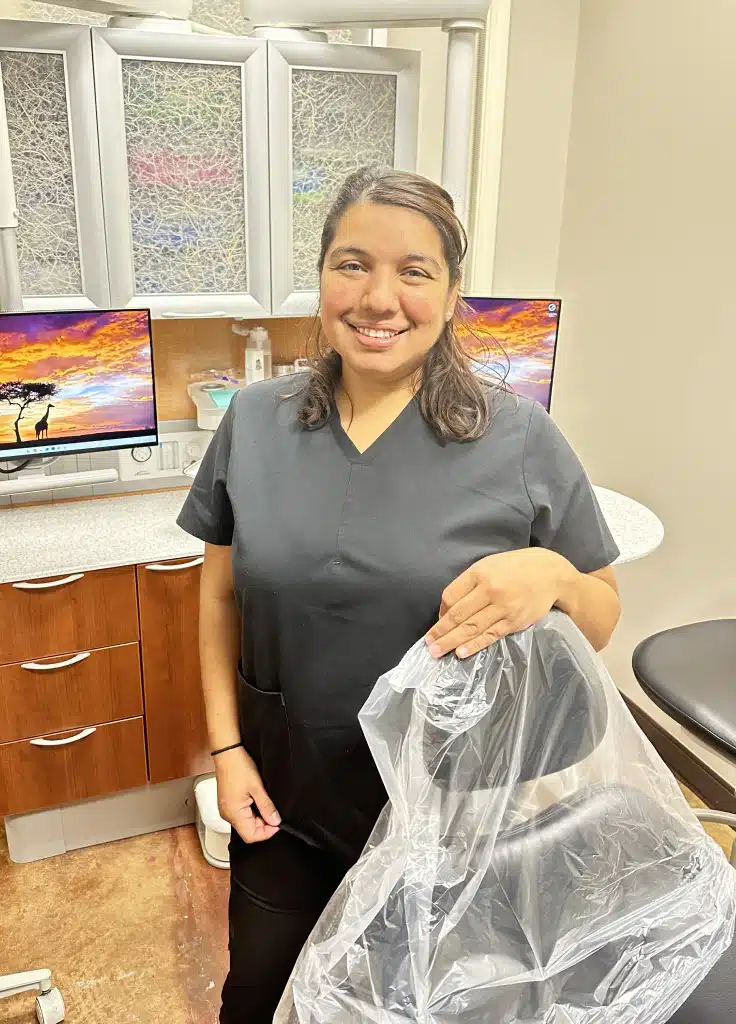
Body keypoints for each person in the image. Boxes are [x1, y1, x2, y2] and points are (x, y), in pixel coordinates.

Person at [177, 165, 622, 1023]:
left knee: (419, 1004)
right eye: (352, 264)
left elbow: (600, 619)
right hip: (284, 804)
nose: (378, 297)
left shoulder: (519, 438)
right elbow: (218, 599)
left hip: (455, 824)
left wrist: (559, 577)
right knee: (261, 998)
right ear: (321, 279)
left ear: (452, 293)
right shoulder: (256, 420)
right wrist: (227, 754)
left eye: (414, 271)